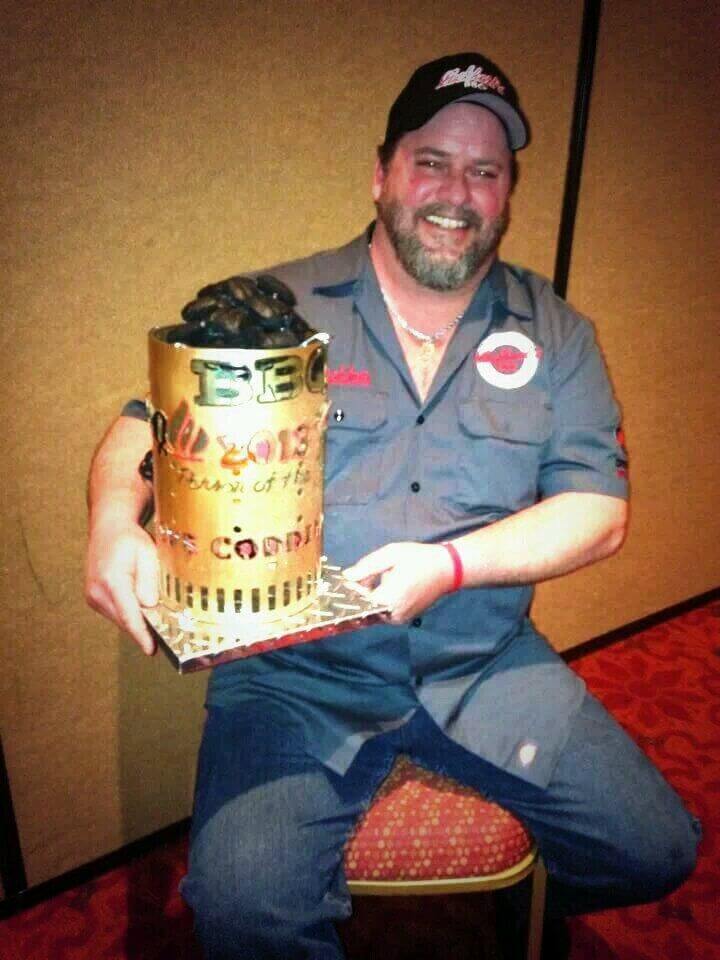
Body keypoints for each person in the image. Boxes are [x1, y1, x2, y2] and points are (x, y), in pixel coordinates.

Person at [86, 52, 700, 959]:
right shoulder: (278, 306)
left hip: (482, 660)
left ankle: (508, 916)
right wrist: (109, 522)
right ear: (382, 174)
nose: (457, 191)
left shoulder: (557, 333)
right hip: (296, 675)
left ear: (507, 194)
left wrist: (453, 565)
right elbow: (146, 426)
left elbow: (598, 509)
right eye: (432, 162)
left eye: (485, 172)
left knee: (658, 852)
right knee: (241, 911)